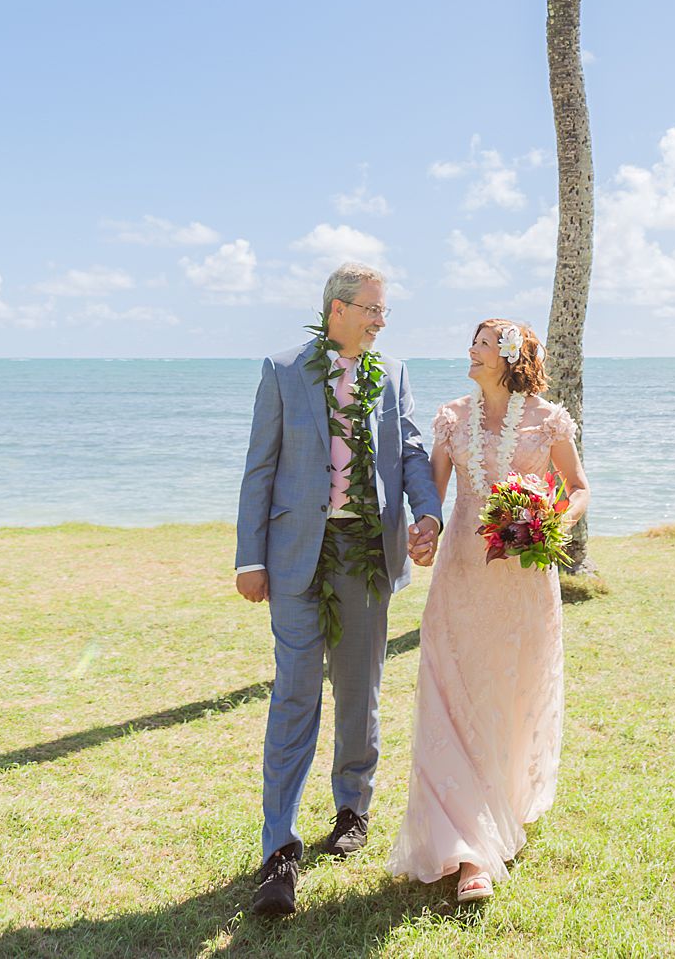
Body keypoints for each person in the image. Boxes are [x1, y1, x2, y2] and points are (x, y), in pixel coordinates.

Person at [235, 262, 442, 916]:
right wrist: (248, 557)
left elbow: (410, 453)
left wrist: (428, 512)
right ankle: (280, 846)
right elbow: (259, 466)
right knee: (295, 692)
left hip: (366, 553)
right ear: (338, 309)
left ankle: (353, 806)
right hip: (297, 555)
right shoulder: (282, 369)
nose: (382, 320)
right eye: (374, 309)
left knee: (361, 688)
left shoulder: (394, 373)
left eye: (383, 311)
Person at [387, 318, 591, 901]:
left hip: (525, 583)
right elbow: (433, 494)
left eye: (481, 345)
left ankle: (493, 820)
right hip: (461, 579)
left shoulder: (548, 420)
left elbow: (577, 487)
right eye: (472, 344)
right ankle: (463, 846)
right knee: (453, 694)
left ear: (511, 356)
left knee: (509, 696)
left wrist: (551, 519)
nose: (470, 353)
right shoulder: (452, 417)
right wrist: (423, 532)